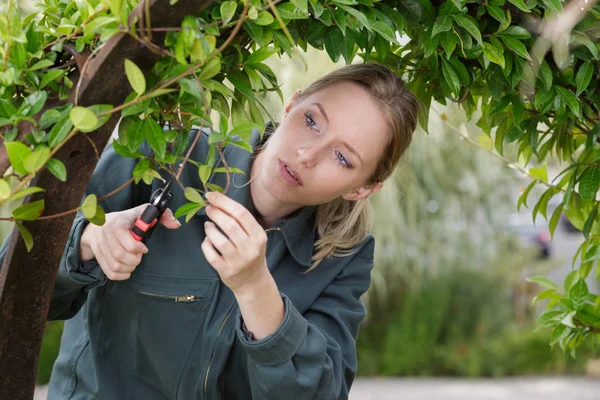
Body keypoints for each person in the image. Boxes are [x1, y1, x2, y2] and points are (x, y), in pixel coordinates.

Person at [2, 62, 419, 399]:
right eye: (312, 121)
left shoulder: (343, 257)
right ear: (291, 105)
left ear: (364, 188)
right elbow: (13, 290)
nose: (307, 155)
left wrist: (256, 290)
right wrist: (90, 242)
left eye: (343, 158)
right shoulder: (166, 156)